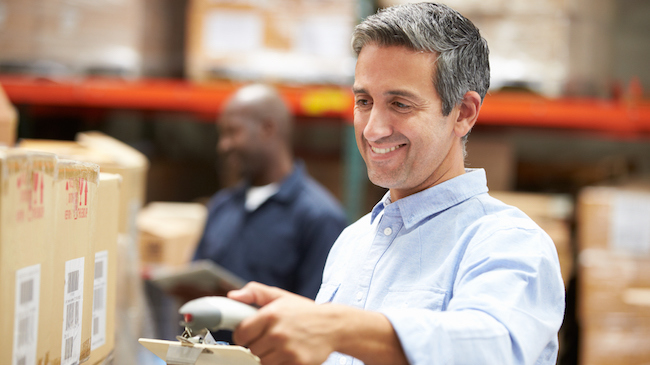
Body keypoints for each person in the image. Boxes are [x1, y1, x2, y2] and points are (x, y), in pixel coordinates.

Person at [225, 3, 566, 365]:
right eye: (364, 101)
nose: (372, 129)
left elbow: (492, 350)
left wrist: (336, 327)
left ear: (463, 113)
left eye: (400, 104)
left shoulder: (508, 243)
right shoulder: (353, 243)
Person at [191, 83, 348, 300]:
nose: (223, 146)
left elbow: (316, 313)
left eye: (232, 132)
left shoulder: (319, 218)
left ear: (268, 129)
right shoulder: (221, 206)